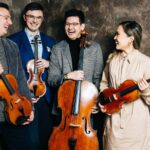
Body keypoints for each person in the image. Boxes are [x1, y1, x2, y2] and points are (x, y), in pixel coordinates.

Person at [47, 8, 104, 149]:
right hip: (64, 109)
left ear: (82, 26)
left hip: (86, 108)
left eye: (75, 24)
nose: (70, 27)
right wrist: (68, 76)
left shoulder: (95, 48)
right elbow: (52, 79)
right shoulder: (57, 49)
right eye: (67, 24)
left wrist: (95, 102)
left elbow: (98, 78)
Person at [8, 2, 55, 150]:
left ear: (42, 19)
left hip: (46, 98)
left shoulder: (50, 41)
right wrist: (24, 92)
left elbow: (59, 68)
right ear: (24, 17)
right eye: (31, 17)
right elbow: (9, 72)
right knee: (29, 141)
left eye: (39, 18)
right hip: (23, 98)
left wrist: (49, 63)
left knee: (46, 137)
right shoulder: (12, 40)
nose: (35, 21)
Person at [99, 21, 150, 150]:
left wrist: (145, 91)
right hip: (113, 124)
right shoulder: (112, 60)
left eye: (118, 34)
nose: (114, 37)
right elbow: (104, 84)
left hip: (136, 127)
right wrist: (104, 102)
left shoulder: (146, 62)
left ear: (130, 39)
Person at [0, 2, 38, 150]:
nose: (10, 22)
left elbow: (21, 79)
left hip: (14, 116)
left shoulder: (11, 46)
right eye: (6, 18)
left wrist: (30, 107)